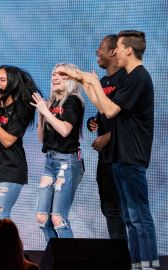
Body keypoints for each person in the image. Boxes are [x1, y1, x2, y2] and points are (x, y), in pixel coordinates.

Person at [62, 30, 158, 270]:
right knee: (129, 217)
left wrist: (91, 81)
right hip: (119, 157)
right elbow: (104, 108)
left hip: (131, 155)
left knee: (139, 216)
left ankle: (148, 265)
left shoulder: (137, 77)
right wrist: (85, 82)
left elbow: (112, 111)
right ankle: (137, 264)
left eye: (118, 47)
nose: (114, 52)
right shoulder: (131, 76)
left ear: (127, 49)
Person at [0, 65, 41, 220]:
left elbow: (7, 141)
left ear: (12, 82)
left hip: (12, 169)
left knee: (0, 214)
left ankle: (8, 244)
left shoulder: (21, 109)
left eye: (2, 80)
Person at [30, 63, 85, 242]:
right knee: (42, 218)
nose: (55, 77)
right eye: (53, 74)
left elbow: (64, 130)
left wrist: (46, 111)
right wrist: (41, 115)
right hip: (50, 161)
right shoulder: (52, 103)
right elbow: (42, 139)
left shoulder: (73, 101)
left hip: (67, 162)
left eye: (61, 74)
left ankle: (70, 261)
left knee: (58, 218)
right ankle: (54, 257)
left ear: (71, 80)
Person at [87, 35, 127, 240]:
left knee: (128, 213)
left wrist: (108, 137)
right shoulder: (101, 82)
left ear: (113, 51)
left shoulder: (127, 79)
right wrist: (94, 122)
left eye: (100, 47)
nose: (97, 51)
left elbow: (130, 120)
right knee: (110, 210)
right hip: (105, 159)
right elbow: (103, 112)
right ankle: (120, 256)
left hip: (123, 158)